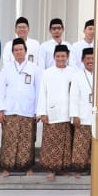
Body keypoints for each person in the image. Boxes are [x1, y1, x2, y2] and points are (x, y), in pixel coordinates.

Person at [0, 37, 40, 176]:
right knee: (9, 140)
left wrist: (38, 111)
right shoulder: (6, 69)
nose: (18, 52)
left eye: (21, 49)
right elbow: (0, 90)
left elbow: (38, 91)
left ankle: (27, 167)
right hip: (10, 109)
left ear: (26, 51)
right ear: (12, 52)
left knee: (27, 140)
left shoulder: (34, 68)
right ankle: (6, 168)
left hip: (28, 110)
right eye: (16, 50)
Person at [36, 44, 76, 179]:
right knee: (51, 143)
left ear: (67, 57)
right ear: (54, 57)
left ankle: (62, 168)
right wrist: (42, 112)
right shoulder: (47, 72)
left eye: (63, 56)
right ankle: (51, 169)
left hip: (67, 112)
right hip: (51, 112)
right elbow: (42, 92)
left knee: (65, 143)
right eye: (58, 56)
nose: (60, 58)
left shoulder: (74, 72)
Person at [68, 47, 97, 175]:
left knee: (96, 144)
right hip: (82, 114)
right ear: (82, 60)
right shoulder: (77, 76)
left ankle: (94, 168)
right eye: (88, 58)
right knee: (81, 144)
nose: (90, 61)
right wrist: (74, 115)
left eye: (92, 58)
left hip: (97, 115)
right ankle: (79, 169)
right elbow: (73, 96)